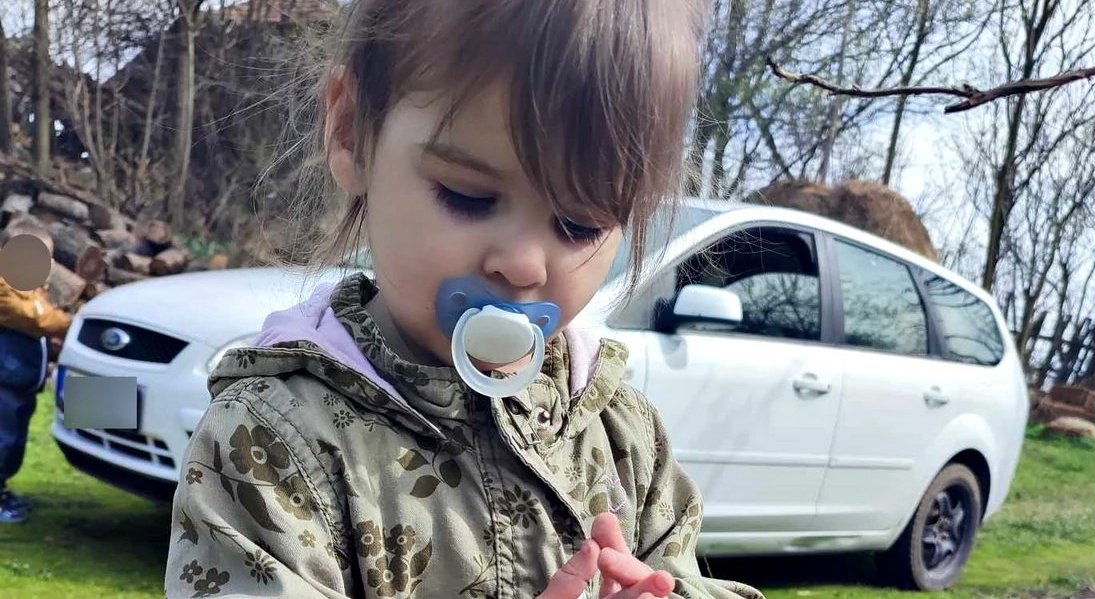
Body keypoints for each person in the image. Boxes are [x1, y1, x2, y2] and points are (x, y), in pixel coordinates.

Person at [165, 1, 763, 597]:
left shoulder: (623, 439)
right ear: (352, 131)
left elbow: (678, 574)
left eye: (580, 225)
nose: (524, 264)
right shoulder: (271, 441)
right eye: (468, 196)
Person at [0, 223, 71, 524]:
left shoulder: (32, 292)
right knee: (1, 439)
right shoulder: (5, 291)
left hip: (23, 384)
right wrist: (71, 323)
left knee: (14, 441)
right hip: (4, 382)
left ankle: (2, 490)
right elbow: (35, 320)